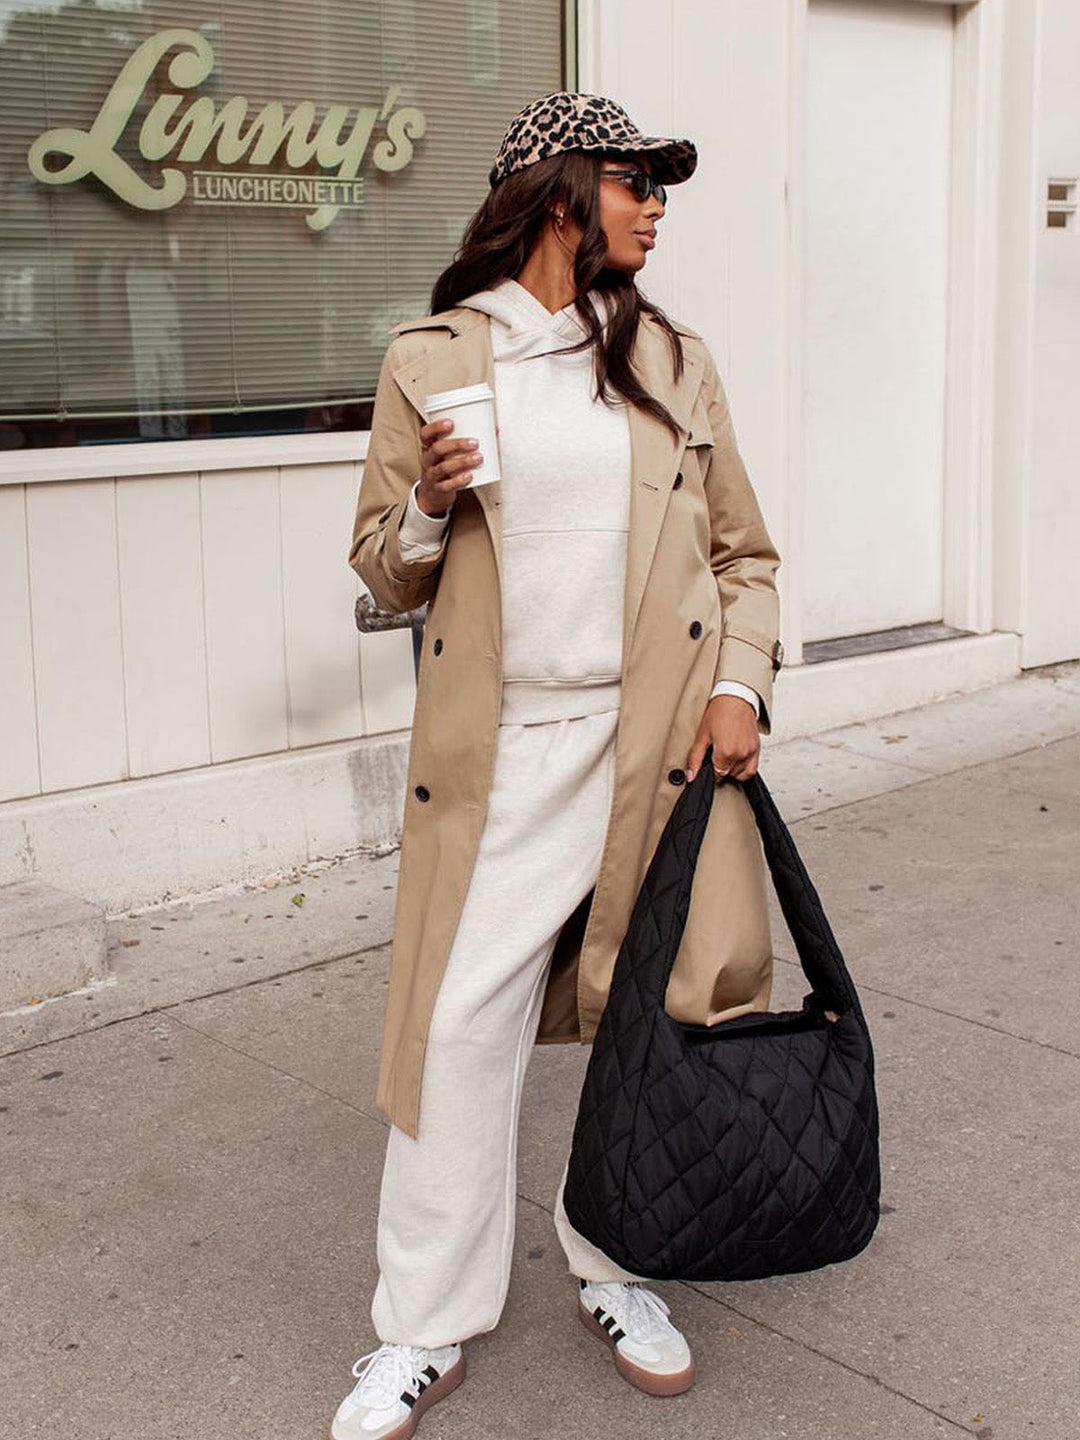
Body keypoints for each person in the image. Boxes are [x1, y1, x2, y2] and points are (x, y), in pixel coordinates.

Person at [334, 91, 782, 1440]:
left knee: (642, 1026)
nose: (657, 205)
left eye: (661, 186)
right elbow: (381, 574)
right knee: (455, 1032)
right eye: (636, 181)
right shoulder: (433, 356)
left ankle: (618, 1265)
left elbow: (744, 556)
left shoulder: (673, 358)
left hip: (655, 751)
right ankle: (423, 1324)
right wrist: (429, 501)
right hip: (502, 755)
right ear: (557, 195)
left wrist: (740, 685)